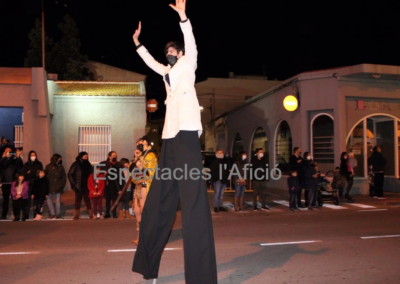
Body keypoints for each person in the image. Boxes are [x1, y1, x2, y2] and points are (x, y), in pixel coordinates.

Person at [131, 1, 218, 282]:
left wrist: (183, 17)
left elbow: (191, 44)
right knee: (158, 201)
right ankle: (149, 267)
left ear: (179, 53)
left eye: (172, 51)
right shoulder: (167, 73)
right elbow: (151, 63)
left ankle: (201, 276)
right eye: (166, 52)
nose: (168, 55)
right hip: (169, 137)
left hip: (189, 133)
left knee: (192, 202)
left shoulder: (187, 63)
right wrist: (137, 44)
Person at [68, 152, 93, 220]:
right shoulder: (76, 164)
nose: (86, 158)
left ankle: (91, 214)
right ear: (80, 157)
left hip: (87, 185)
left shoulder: (88, 164)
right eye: (84, 157)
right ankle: (76, 215)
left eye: (86, 157)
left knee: (87, 199)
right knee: (78, 200)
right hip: (78, 185)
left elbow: (91, 173)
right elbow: (70, 174)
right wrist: (74, 184)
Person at [0, 147, 23, 219]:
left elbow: (20, 167)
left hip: (13, 182)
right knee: (5, 200)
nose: (8, 153)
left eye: (9, 151)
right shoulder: (3, 161)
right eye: (6, 151)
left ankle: (16, 214)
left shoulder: (14, 160)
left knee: (15, 199)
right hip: (5, 182)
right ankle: (4, 214)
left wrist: (18, 157)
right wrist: (3, 158)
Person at [22, 150, 43, 219]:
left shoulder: (39, 164)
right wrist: (28, 173)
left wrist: (31, 172)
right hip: (28, 183)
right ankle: (26, 214)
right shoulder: (26, 164)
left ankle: (35, 213)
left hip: (36, 183)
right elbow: (24, 174)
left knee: (36, 200)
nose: (33, 156)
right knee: (27, 199)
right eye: (31, 155)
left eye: (34, 155)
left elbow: (40, 173)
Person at [45, 154, 66, 219]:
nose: (60, 160)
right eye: (59, 158)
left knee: (57, 201)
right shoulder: (48, 166)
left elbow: (64, 177)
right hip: (49, 186)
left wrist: (61, 185)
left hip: (58, 187)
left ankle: (58, 214)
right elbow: (45, 176)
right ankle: (52, 213)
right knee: (49, 200)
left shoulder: (61, 167)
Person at [131, 158, 147, 245]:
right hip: (137, 188)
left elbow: (149, 175)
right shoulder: (135, 164)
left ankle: (146, 237)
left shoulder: (149, 158)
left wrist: (141, 167)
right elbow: (133, 178)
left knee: (144, 212)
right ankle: (139, 237)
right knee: (136, 211)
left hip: (145, 187)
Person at [100, 151, 119, 218]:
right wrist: (104, 172)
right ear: (109, 156)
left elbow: (119, 172)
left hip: (114, 183)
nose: (115, 156)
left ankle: (114, 213)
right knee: (107, 199)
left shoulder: (117, 164)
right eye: (113, 155)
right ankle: (107, 213)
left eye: (115, 155)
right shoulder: (103, 163)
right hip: (107, 183)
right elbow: (98, 171)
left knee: (114, 199)